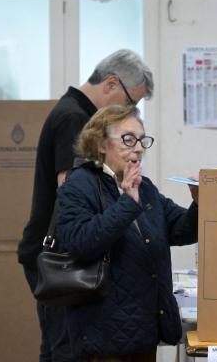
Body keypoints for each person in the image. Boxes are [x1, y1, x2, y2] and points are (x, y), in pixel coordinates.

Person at [17, 49, 153, 362]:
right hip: (60, 258)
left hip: (53, 252)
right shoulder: (74, 118)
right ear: (111, 84)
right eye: (131, 102)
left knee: (56, 348)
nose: (130, 111)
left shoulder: (72, 110)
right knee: (66, 349)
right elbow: (72, 192)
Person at [56, 104, 199, 361]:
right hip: (103, 338)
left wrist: (198, 203)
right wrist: (127, 204)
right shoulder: (79, 184)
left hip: (143, 332)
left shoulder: (145, 189)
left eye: (142, 140)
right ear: (101, 144)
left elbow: (180, 230)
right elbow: (80, 242)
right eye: (128, 139)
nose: (139, 147)